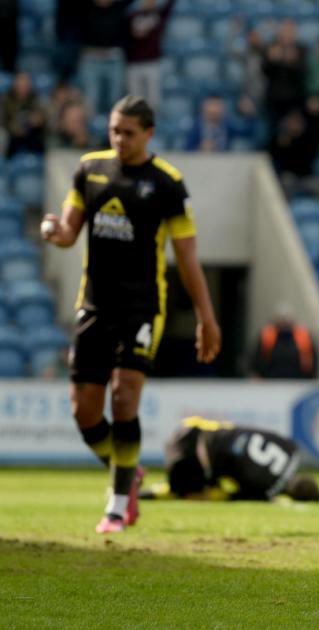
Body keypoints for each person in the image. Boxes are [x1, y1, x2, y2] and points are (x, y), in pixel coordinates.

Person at [40, 95, 221, 533]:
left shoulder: (167, 184)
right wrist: (53, 230)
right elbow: (68, 232)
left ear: (149, 134)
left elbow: (188, 259)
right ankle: (127, 470)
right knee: (84, 411)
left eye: (129, 133)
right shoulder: (90, 170)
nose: (119, 140)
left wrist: (206, 318)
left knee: (123, 398)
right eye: (114, 131)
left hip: (143, 306)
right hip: (94, 305)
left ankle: (118, 503)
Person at [139, 416, 319, 502]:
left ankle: (134, 485)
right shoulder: (267, 490)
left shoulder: (291, 448)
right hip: (187, 460)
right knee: (193, 492)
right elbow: (230, 495)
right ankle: (146, 492)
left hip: (192, 427)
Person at [251, 304, 317, 379]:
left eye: (286, 319)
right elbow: (256, 359)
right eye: (281, 319)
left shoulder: (304, 336)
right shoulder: (266, 336)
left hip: (297, 380)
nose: (284, 322)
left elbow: (313, 360)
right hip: (271, 381)